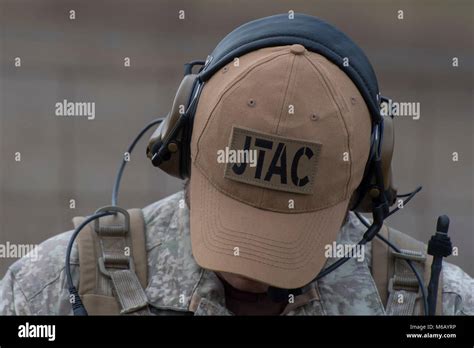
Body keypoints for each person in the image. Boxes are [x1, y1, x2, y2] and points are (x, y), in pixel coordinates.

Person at [0, 14, 472, 316]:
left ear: (366, 184)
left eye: (284, 228)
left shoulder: (438, 305)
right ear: (181, 147)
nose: (249, 265)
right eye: (238, 214)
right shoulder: (53, 289)